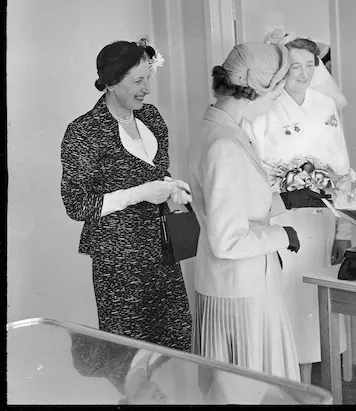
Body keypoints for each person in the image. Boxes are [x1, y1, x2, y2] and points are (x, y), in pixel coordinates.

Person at [187, 41, 329, 382]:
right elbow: (229, 240)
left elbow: (240, 207)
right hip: (240, 293)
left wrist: (290, 200)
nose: (278, 99)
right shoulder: (224, 145)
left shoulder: (220, 130)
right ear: (256, 89)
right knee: (252, 389)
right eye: (277, 89)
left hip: (235, 285)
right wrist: (285, 235)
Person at [60, 39, 192, 352]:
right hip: (118, 260)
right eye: (138, 81)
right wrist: (139, 194)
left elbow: (155, 173)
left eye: (148, 78)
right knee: (131, 353)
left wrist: (171, 187)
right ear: (111, 82)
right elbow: (75, 204)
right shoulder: (84, 131)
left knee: (176, 342)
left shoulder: (152, 118)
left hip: (163, 249)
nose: (146, 88)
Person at [243, 29, 353, 384]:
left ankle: (314, 383)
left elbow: (341, 166)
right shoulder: (264, 110)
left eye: (310, 65)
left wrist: (344, 229)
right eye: (294, 66)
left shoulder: (326, 106)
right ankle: (290, 383)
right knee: (287, 302)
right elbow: (253, 166)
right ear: (281, 69)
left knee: (316, 304)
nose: (303, 73)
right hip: (283, 219)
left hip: (322, 222)